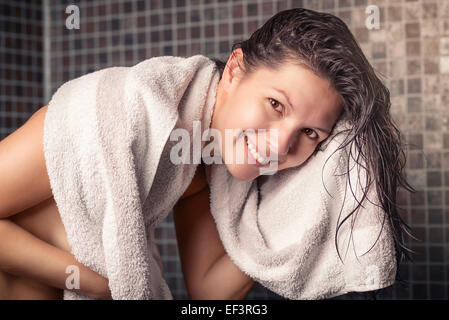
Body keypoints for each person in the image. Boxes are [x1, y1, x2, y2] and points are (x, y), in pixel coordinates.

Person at [0, 8, 413, 300]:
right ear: (235, 70)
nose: (279, 146)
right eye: (275, 105)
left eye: (309, 133)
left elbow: (208, 291)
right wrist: (97, 283)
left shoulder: (200, 170)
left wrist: (301, 209)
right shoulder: (118, 108)